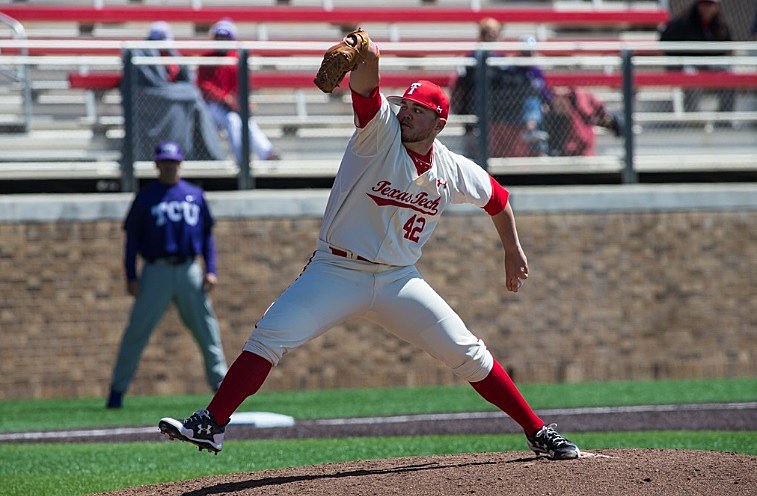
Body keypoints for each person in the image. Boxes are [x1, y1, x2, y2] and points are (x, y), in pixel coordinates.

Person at [157, 30, 580, 461]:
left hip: (399, 279)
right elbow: (367, 83)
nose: (407, 114)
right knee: (270, 336)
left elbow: (499, 200)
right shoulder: (377, 136)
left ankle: (538, 430)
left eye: (418, 110)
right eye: (406, 106)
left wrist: (512, 250)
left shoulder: (452, 167)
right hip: (336, 270)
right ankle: (212, 423)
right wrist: (369, 51)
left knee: (468, 353)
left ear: (440, 122)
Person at [106, 141, 228, 409]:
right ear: (156, 163)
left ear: (180, 163)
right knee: (136, 331)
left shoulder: (194, 194)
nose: (169, 166)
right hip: (155, 271)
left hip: (188, 269)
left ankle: (221, 387)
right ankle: (117, 391)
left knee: (207, 329)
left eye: (173, 161)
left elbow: (207, 236)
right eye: (164, 161)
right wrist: (130, 275)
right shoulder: (146, 196)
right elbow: (132, 239)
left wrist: (211, 270)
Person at [124, 22, 225, 161]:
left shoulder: (171, 54)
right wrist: (183, 92)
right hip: (151, 106)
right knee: (192, 96)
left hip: (176, 104)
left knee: (199, 105)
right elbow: (153, 85)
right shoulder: (140, 54)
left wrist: (182, 91)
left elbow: (187, 79)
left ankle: (208, 155)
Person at [451, 19, 552, 158]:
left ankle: (537, 144)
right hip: (486, 106)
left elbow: (512, 79)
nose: (491, 36)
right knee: (531, 97)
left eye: (493, 33)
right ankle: (536, 142)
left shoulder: (500, 58)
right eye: (487, 33)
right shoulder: (474, 57)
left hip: (503, 104)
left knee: (532, 96)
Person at [196, 18, 280, 163]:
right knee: (233, 121)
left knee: (243, 121)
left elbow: (242, 88)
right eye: (219, 37)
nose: (222, 40)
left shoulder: (237, 59)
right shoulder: (207, 58)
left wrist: (242, 103)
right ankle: (243, 161)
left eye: (225, 37)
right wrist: (224, 98)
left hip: (232, 105)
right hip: (212, 106)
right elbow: (204, 87)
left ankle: (266, 153)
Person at [659, 0, 736, 115]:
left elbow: (729, 49)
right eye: (704, 4)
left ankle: (725, 119)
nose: (707, 8)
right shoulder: (684, 22)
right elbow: (665, 42)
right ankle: (693, 117)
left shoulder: (720, 25)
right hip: (687, 64)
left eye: (710, 4)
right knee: (692, 74)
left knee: (728, 74)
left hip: (711, 65)